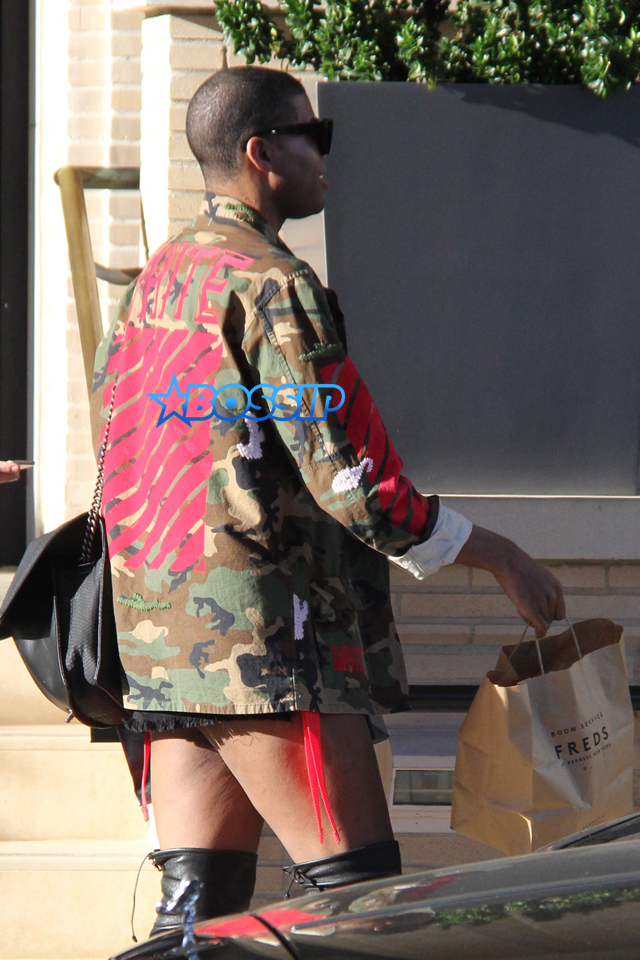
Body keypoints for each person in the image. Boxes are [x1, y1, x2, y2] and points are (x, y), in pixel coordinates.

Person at [90, 66, 565, 934]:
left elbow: (113, 445)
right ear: (261, 152)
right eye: (316, 137)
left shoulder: (151, 285)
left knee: (195, 917)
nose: (326, 156)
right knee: (358, 906)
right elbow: (352, 481)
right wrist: (498, 551)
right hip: (273, 652)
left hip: (159, 648)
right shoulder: (275, 285)